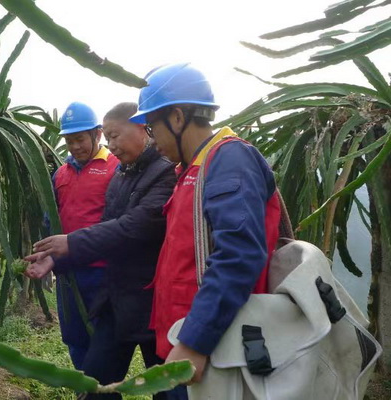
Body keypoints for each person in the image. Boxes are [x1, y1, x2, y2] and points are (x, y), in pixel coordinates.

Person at [128, 63, 282, 398]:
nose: (152, 143)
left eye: (152, 128)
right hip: (181, 341)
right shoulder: (190, 169)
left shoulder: (229, 159)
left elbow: (238, 256)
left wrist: (196, 342)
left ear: (178, 118)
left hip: (213, 348)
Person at [26, 102, 176, 399]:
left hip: (153, 299)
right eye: (108, 137)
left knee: (166, 385)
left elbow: (134, 225)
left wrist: (71, 242)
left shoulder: (166, 172)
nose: (112, 144)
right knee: (93, 384)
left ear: (142, 128)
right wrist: (55, 258)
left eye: (115, 135)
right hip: (116, 295)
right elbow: (109, 223)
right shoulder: (122, 174)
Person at [51, 101, 120, 370]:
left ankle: (105, 392)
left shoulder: (116, 167)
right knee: (75, 337)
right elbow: (51, 217)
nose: (75, 147)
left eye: (80, 139)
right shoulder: (59, 174)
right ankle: (84, 388)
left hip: (102, 272)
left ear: (97, 134)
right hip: (68, 273)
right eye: (69, 140)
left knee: (103, 342)